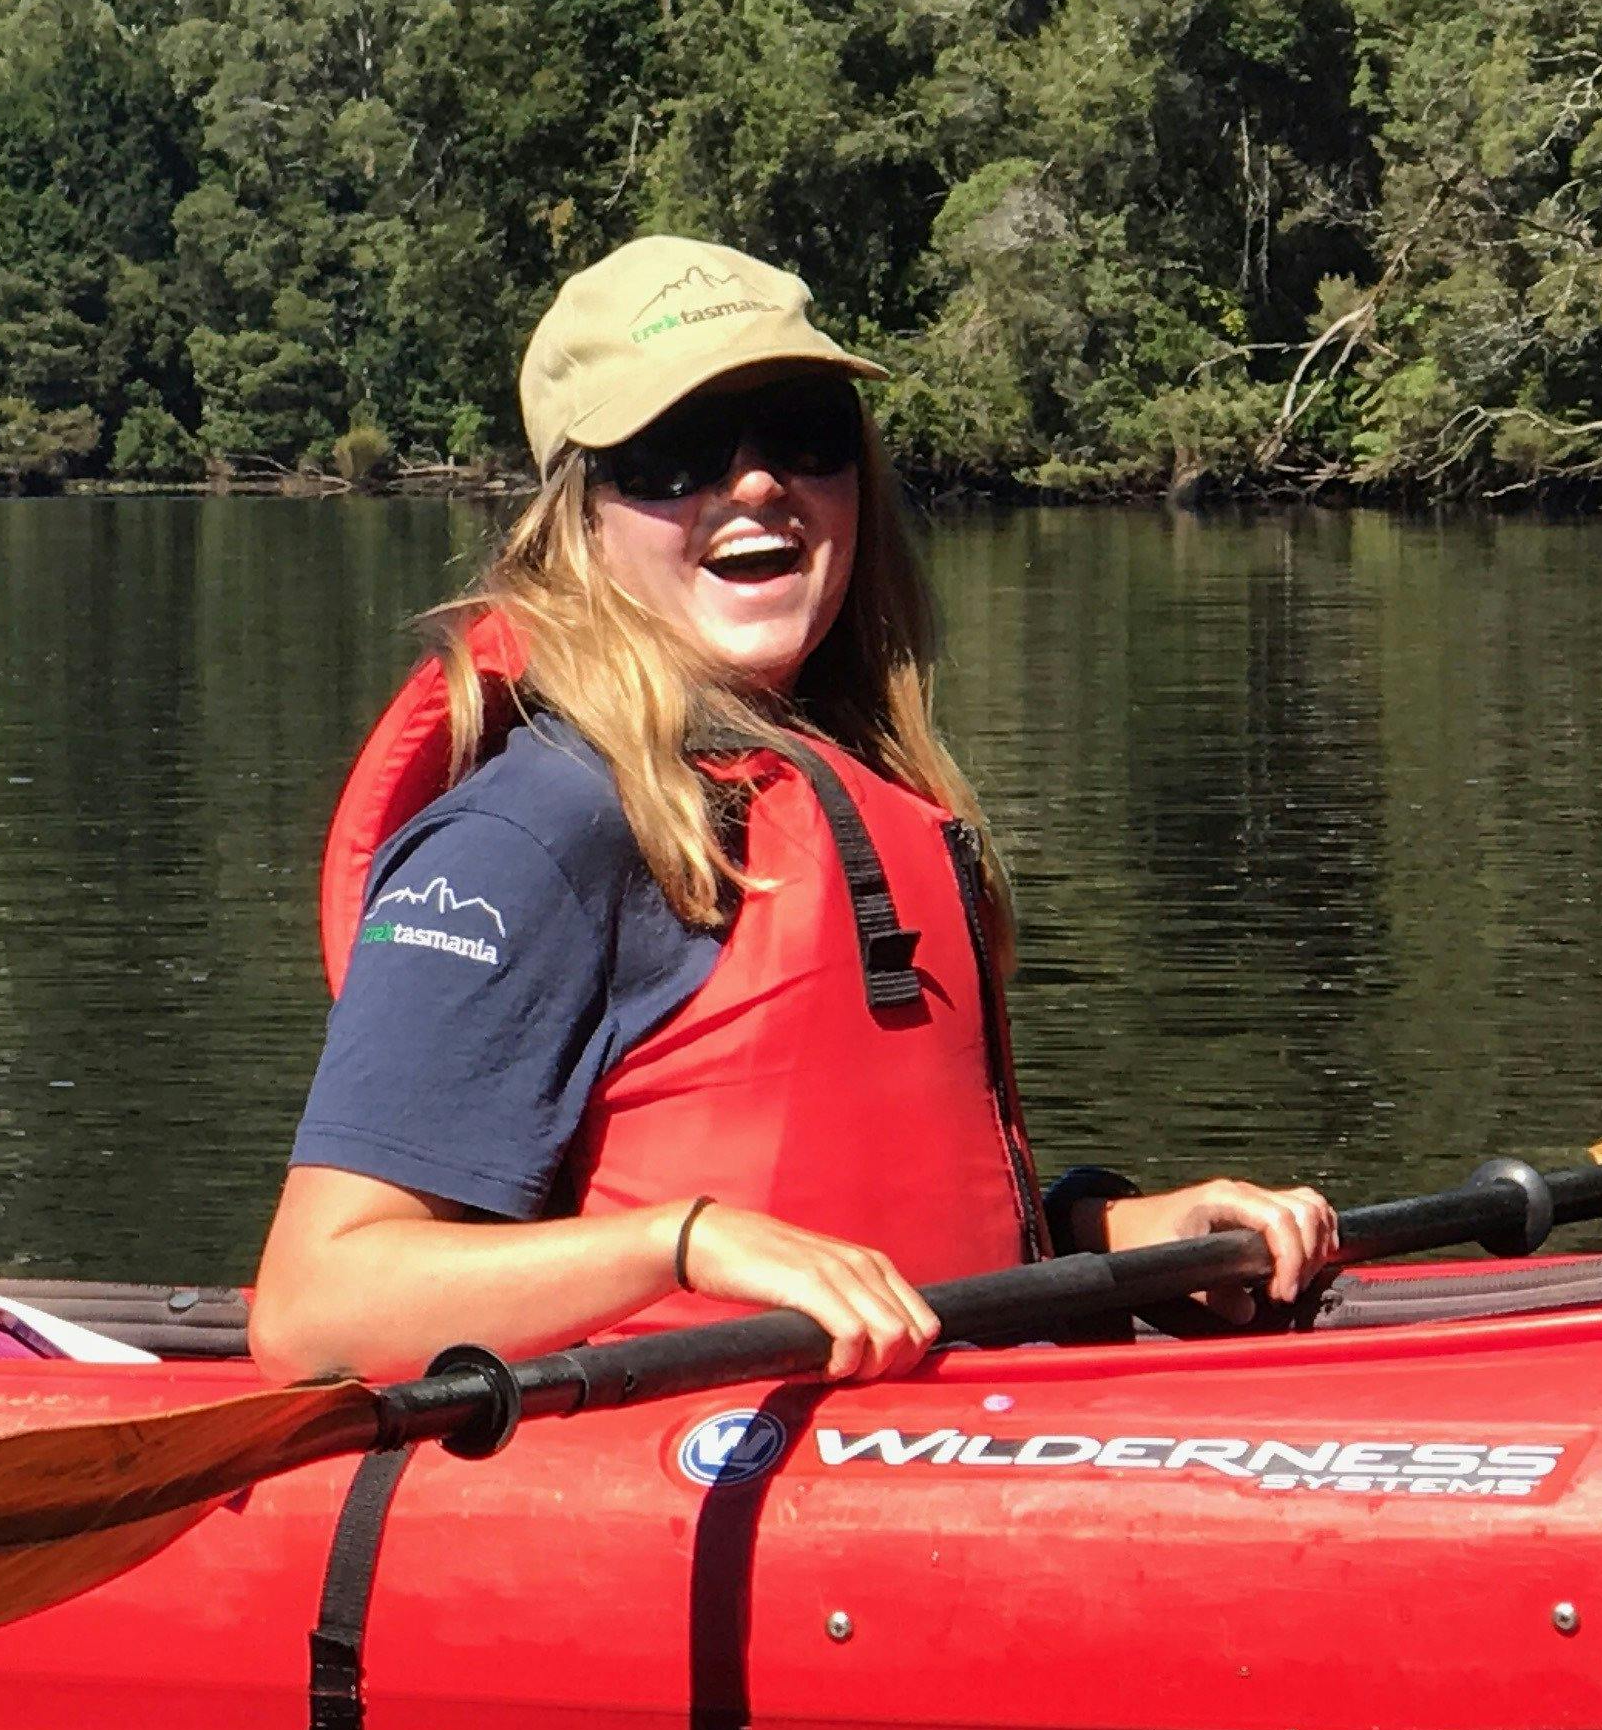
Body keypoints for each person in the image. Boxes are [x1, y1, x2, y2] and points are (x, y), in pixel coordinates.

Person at [254, 238, 1336, 1385]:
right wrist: (689, 1241)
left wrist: (1107, 1244)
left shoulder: (863, 780)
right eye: (675, 453)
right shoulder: (530, 833)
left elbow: (886, 1228)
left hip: (934, 1440)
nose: (759, 483)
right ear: (578, 518)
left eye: (806, 433)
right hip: (667, 1485)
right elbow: (317, 1306)